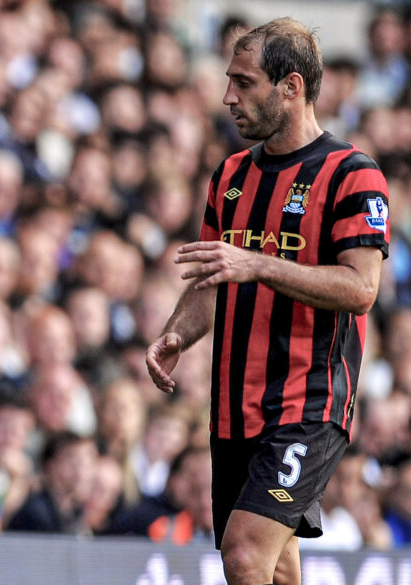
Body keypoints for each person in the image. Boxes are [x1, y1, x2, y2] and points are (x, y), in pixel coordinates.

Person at [145, 18, 390, 585]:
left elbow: (360, 289)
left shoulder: (353, 175)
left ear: (292, 86)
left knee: (244, 554)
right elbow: (212, 279)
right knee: (275, 568)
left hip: (305, 407)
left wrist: (257, 263)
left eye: (244, 82)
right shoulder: (229, 176)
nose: (228, 96)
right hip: (233, 409)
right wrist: (177, 332)